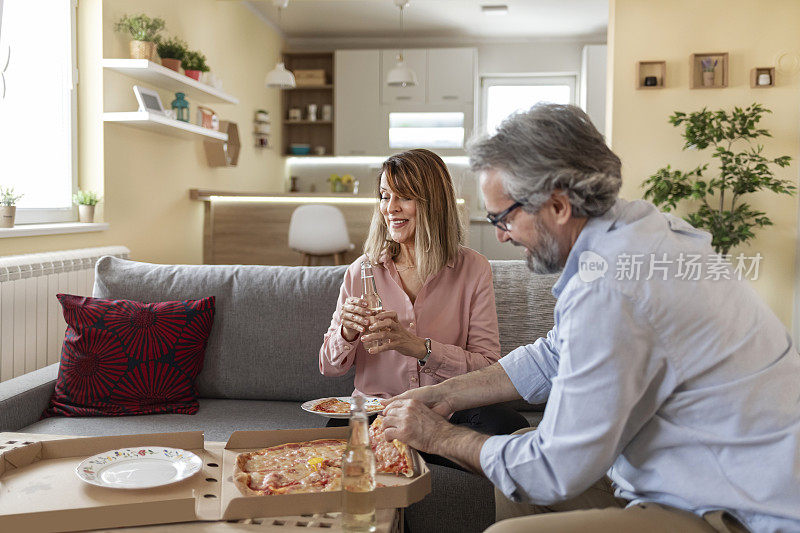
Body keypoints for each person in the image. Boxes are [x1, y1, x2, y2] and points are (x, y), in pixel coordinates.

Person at [379, 104, 800, 532]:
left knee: (508, 527)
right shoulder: (635, 232)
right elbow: (551, 357)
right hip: (693, 473)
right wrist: (449, 394)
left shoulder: (613, 286)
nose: (502, 234)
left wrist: (438, 436)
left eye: (503, 217)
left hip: (738, 509)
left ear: (558, 205)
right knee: (517, 450)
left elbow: (550, 471)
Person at [319, 148, 528, 449]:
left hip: (447, 410)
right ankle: (418, 449)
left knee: (510, 426)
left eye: (403, 197)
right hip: (378, 411)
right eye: (384, 196)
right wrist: (346, 332)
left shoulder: (473, 269)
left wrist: (419, 348)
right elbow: (329, 366)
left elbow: (488, 367)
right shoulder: (361, 271)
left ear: (434, 204)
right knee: (332, 434)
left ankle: (412, 447)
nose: (390, 208)